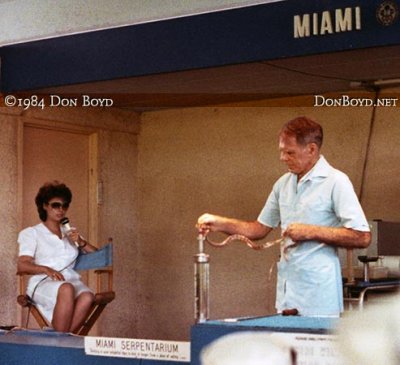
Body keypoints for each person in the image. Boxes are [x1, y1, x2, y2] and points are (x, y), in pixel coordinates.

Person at [197, 116, 371, 317]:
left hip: (320, 296)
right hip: (287, 294)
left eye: (290, 152)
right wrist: (218, 223)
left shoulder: (336, 182)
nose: (283, 158)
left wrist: (310, 232)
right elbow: (258, 229)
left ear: (312, 149)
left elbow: (362, 236)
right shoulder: (283, 184)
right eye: (281, 151)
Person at [17, 181, 98, 333]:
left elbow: (99, 257)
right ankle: (61, 342)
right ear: (44, 206)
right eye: (55, 205)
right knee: (66, 289)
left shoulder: (70, 232)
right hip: (43, 282)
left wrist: (81, 242)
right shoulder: (32, 233)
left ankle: (61, 338)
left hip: (69, 281)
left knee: (88, 296)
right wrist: (46, 269)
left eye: (65, 205)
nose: (61, 210)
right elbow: (22, 265)